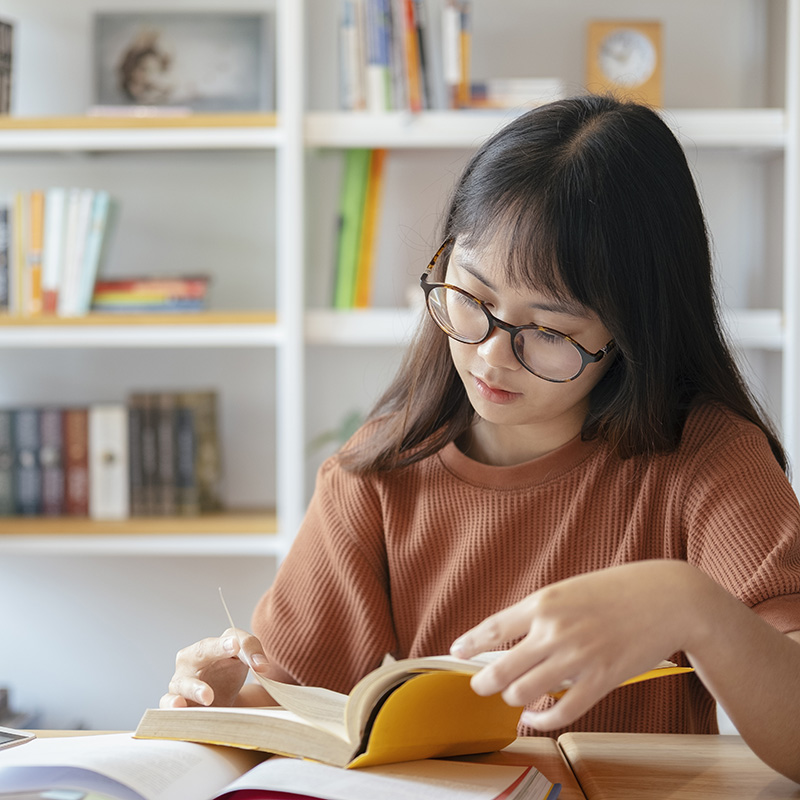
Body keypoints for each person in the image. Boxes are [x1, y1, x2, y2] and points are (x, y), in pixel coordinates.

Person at [162, 95, 800, 782]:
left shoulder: (706, 459)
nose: (492, 357)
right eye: (472, 298)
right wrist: (225, 706)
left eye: (550, 332)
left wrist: (691, 606)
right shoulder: (377, 474)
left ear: (631, 331)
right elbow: (297, 714)